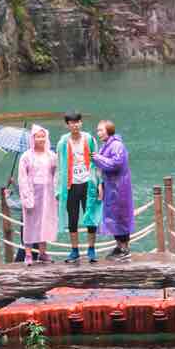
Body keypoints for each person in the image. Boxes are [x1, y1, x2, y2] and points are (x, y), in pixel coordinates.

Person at [55, 111, 102, 263]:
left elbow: (97, 161)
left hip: (88, 182)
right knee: (72, 218)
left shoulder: (89, 139)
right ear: (67, 125)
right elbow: (59, 165)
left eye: (77, 122)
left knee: (90, 216)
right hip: (70, 184)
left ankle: (91, 249)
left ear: (81, 123)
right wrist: (57, 189)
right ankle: (74, 250)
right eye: (72, 122)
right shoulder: (63, 142)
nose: (75, 125)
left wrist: (100, 183)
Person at [93, 119, 134, 259]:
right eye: (97, 130)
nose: (98, 133)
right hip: (110, 186)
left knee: (121, 216)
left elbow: (116, 163)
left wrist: (98, 158)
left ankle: (125, 248)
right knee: (112, 217)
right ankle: (118, 246)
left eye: (101, 130)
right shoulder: (105, 145)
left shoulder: (117, 145)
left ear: (108, 130)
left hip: (120, 187)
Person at [17, 124, 58, 264]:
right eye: (37, 136)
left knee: (44, 221)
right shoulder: (26, 156)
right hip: (32, 191)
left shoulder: (51, 155)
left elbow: (56, 174)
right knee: (29, 222)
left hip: (47, 192)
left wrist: (56, 191)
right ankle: (28, 254)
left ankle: (42, 252)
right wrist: (26, 195)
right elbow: (22, 177)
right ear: (33, 138)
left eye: (42, 136)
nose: (40, 139)